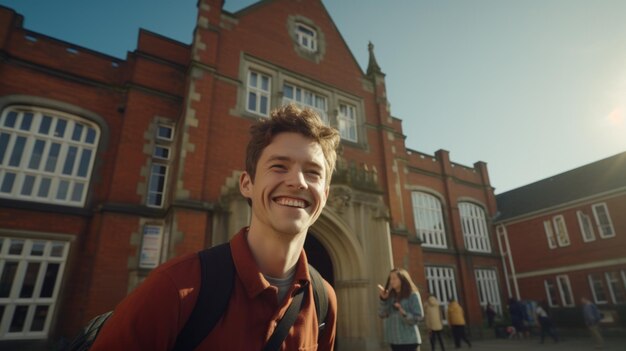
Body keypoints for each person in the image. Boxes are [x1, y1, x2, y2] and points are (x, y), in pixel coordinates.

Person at [91, 104, 340, 350]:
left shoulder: (324, 300)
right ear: (246, 184)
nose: (298, 182)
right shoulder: (175, 287)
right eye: (278, 166)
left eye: (313, 172)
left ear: (325, 195)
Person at [378, 268, 424, 351]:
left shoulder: (413, 295)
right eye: (390, 278)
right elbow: (382, 314)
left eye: (394, 278)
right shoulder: (390, 296)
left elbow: (419, 317)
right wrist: (383, 299)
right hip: (394, 341)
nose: (391, 281)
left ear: (402, 279)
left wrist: (404, 313)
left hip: (409, 341)